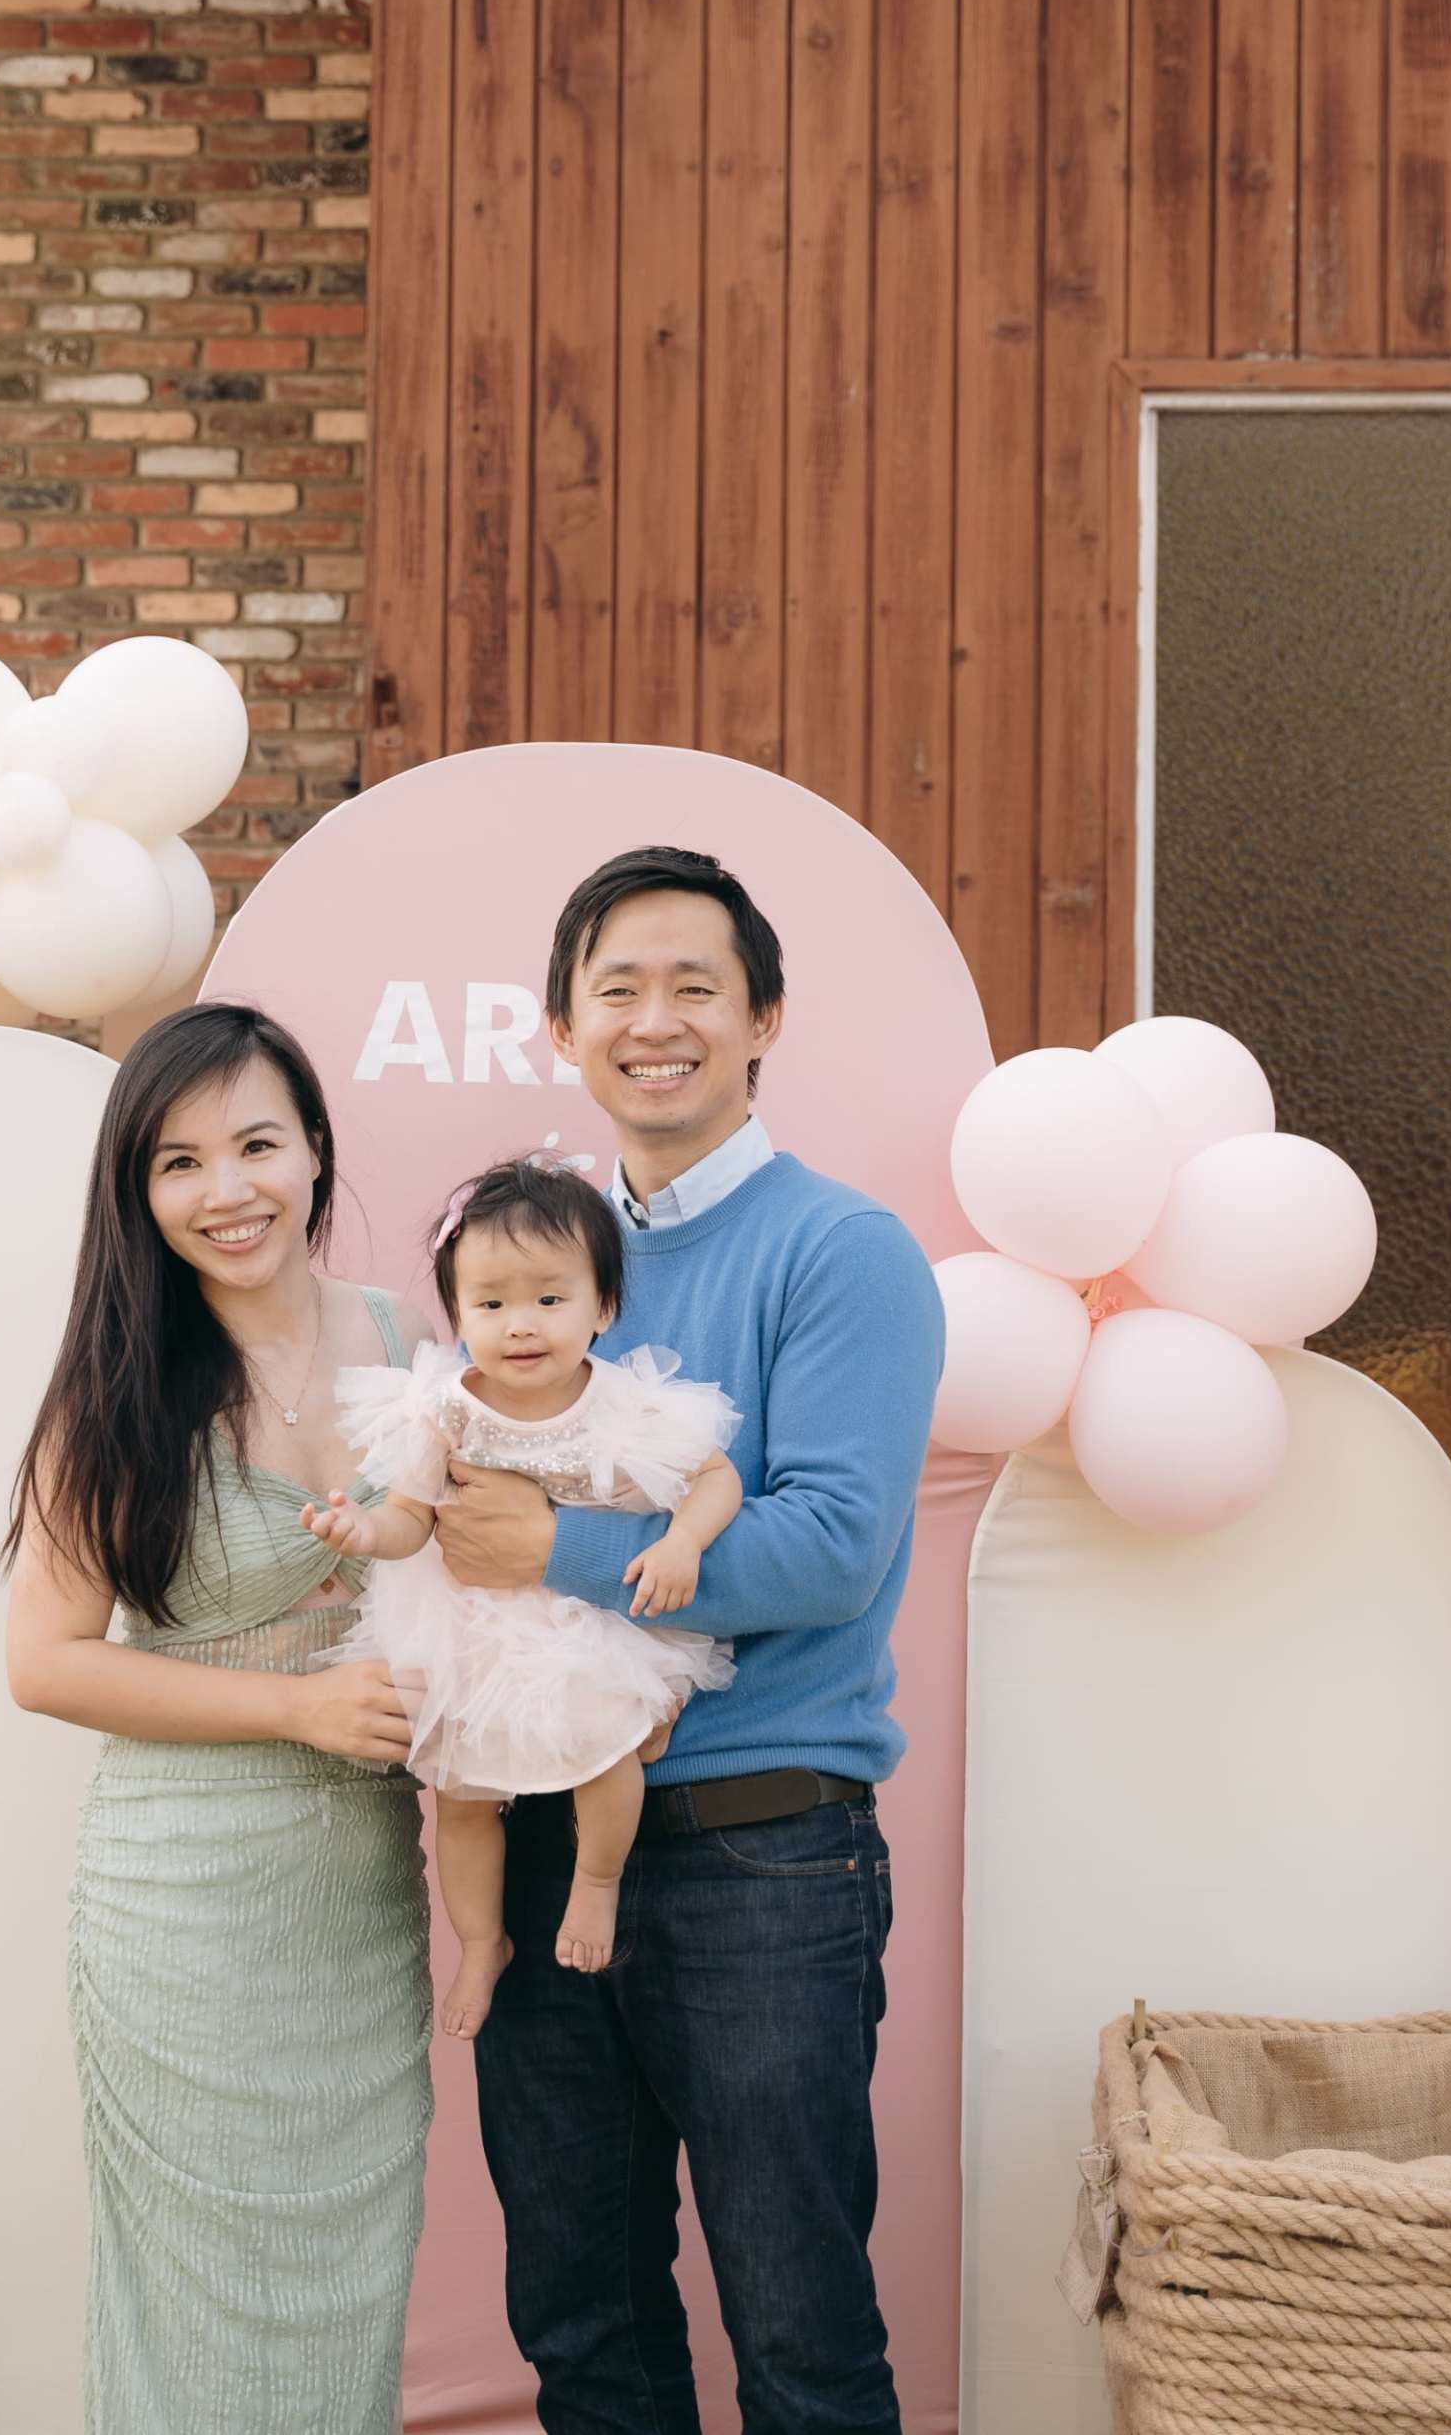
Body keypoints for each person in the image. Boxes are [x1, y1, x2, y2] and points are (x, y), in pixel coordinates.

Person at [433, 848, 947, 2435]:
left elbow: (833, 1546)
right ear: (560, 1030)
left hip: (760, 1853)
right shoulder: (538, 1255)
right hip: (540, 1833)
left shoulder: (841, 1251)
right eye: (618, 991)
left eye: (695, 987)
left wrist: (555, 1547)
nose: (656, 1021)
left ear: (764, 1016)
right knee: (584, 2322)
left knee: (798, 2327)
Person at [0, 1002, 432, 2435]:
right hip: (183, 1905)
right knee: (194, 2297)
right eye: (179, 1162)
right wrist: (300, 1702)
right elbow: (49, 1661)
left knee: (349, 2289)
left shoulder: (401, 1337)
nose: (226, 1188)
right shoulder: (118, 1384)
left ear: (314, 1146)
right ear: (141, 1192)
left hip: (360, 1902)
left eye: (256, 1141)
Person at [302, 1152, 745, 2039]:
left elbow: (716, 1476)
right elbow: (412, 1516)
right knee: (461, 1798)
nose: (521, 1325)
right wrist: (364, 1533)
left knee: (604, 1753)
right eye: (491, 1303)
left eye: (550, 1298)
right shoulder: (447, 1409)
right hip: (469, 1625)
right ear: (459, 1312)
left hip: (580, 1620)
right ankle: (480, 1939)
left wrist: (683, 1540)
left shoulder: (624, 1402)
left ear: (603, 1305)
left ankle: (598, 1882)